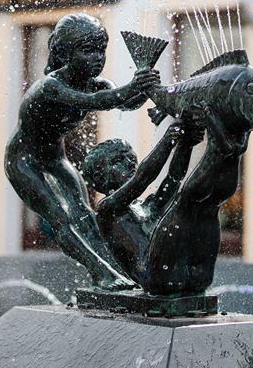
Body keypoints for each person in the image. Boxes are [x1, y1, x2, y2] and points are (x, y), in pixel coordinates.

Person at [5, 13, 159, 290]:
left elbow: (125, 102)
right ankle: (101, 273)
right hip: (23, 162)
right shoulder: (52, 86)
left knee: (85, 215)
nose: (98, 58)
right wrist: (132, 88)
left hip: (55, 158)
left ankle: (118, 270)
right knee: (60, 217)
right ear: (64, 53)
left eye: (101, 50)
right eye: (88, 51)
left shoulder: (98, 83)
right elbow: (97, 101)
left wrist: (146, 87)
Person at [84, 122, 203, 287]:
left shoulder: (146, 207)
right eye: (118, 160)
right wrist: (167, 141)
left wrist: (185, 145)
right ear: (100, 177)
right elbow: (142, 179)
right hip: (154, 278)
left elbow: (174, 179)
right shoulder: (106, 210)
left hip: (176, 272)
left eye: (131, 157)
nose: (130, 162)